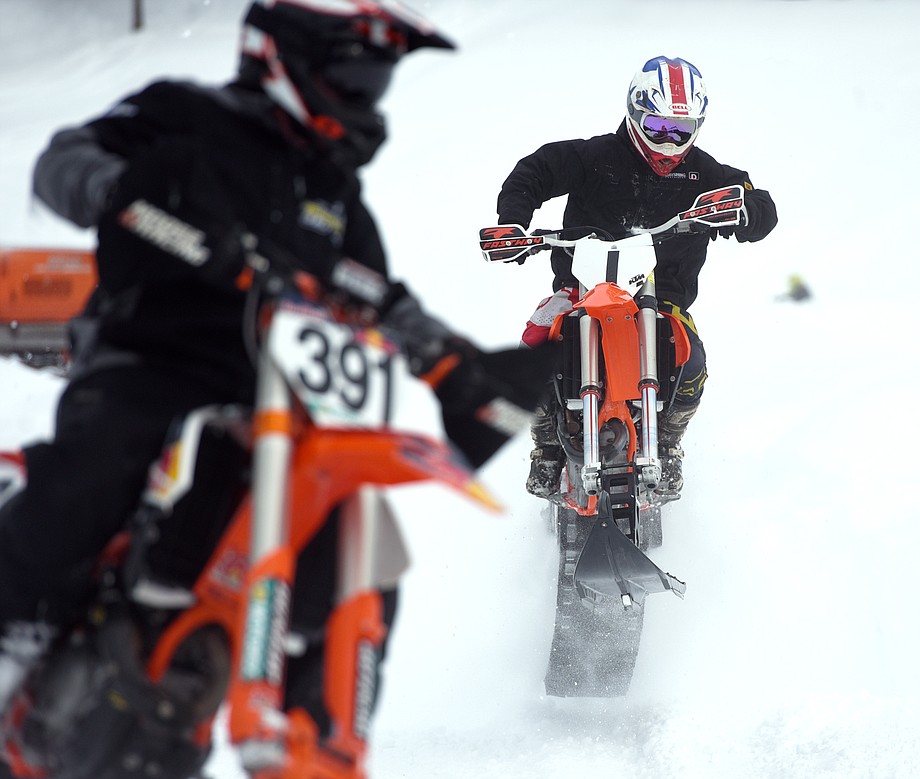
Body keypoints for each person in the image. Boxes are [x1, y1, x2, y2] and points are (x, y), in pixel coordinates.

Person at [0, 0, 553, 765]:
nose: (366, 94)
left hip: (284, 413)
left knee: (356, 530)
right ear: (284, 54)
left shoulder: (338, 202)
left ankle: (320, 738)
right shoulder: (186, 115)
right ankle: (14, 625)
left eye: (377, 78)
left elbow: (378, 299)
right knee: (102, 463)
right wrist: (132, 192)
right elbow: (62, 163)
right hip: (154, 362)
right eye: (354, 73)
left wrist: (458, 366)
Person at [495, 55, 778, 499]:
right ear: (635, 115)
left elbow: (758, 204)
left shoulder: (702, 173)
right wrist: (513, 223)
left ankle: (666, 444)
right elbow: (534, 171)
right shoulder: (593, 156)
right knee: (531, 343)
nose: (669, 143)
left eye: (680, 131)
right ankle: (547, 447)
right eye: (658, 128)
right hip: (581, 292)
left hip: (660, 299)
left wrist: (743, 210)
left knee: (693, 360)